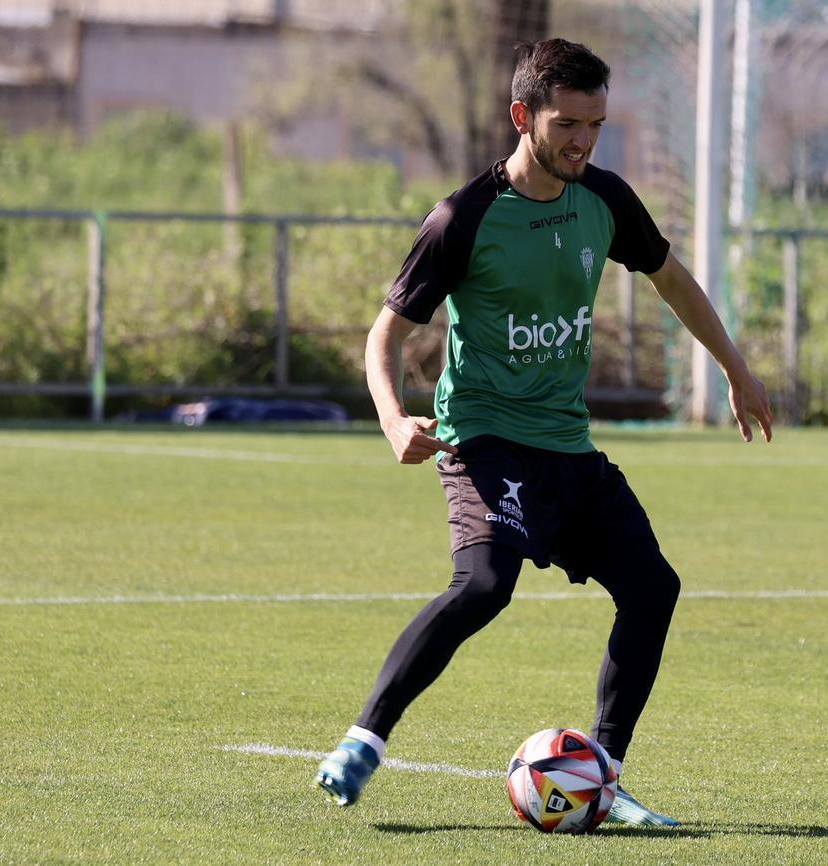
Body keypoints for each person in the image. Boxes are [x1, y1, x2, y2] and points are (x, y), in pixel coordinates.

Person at [315, 37, 772, 827]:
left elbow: (671, 279)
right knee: (486, 585)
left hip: (568, 446)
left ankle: (604, 778)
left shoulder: (605, 198)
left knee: (653, 588)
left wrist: (734, 366)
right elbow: (384, 334)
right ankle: (363, 741)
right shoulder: (465, 217)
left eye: (595, 124)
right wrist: (392, 418)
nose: (583, 141)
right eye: (568, 124)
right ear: (524, 116)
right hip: (483, 438)